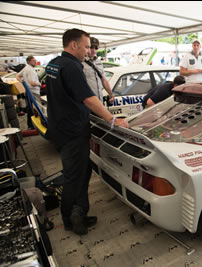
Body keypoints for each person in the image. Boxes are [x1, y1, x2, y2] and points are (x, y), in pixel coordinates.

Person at [46, 28, 128, 235]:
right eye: (85, 47)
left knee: (80, 172)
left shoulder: (53, 64)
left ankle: (79, 212)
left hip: (60, 127)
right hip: (72, 131)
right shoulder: (72, 67)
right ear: (74, 45)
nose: (87, 51)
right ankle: (70, 219)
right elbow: (89, 98)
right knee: (75, 176)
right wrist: (111, 119)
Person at [82, 37, 114, 103]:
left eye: (96, 48)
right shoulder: (81, 62)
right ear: (87, 47)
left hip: (99, 101)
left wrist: (111, 94)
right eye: (91, 47)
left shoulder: (98, 62)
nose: (93, 50)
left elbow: (103, 79)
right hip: (88, 103)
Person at [16, 56, 41, 129]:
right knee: (37, 109)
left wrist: (23, 83)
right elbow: (32, 83)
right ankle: (35, 125)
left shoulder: (26, 68)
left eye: (35, 60)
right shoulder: (30, 70)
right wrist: (39, 84)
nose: (35, 62)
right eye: (33, 61)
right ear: (29, 61)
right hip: (34, 92)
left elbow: (17, 75)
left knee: (30, 109)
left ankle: (30, 125)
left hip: (28, 91)